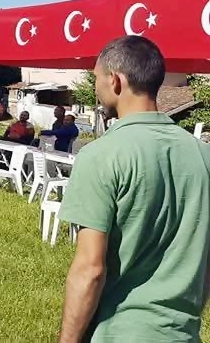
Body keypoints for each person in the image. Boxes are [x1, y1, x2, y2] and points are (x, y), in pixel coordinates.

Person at [58, 35, 210, 341]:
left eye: (96, 78)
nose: (96, 88)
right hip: (182, 333)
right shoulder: (203, 156)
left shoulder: (100, 156)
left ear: (115, 81)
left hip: (120, 332)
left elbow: (90, 270)